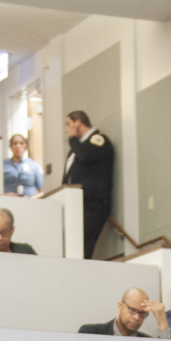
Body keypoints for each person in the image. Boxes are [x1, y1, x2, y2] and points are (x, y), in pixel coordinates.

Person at [62, 110, 114, 257]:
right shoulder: (76, 149)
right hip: (77, 204)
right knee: (72, 246)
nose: (66, 130)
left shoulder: (98, 140)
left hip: (93, 205)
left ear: (78, 123)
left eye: (68, 124)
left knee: (83, 246)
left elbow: (85, 156)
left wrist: (73, 139)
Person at [77, 287, 166, 338]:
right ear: (120, 306)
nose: (137, 317)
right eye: (132, 310)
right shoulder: (90, 333)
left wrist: (163, 324)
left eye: (142, 313)